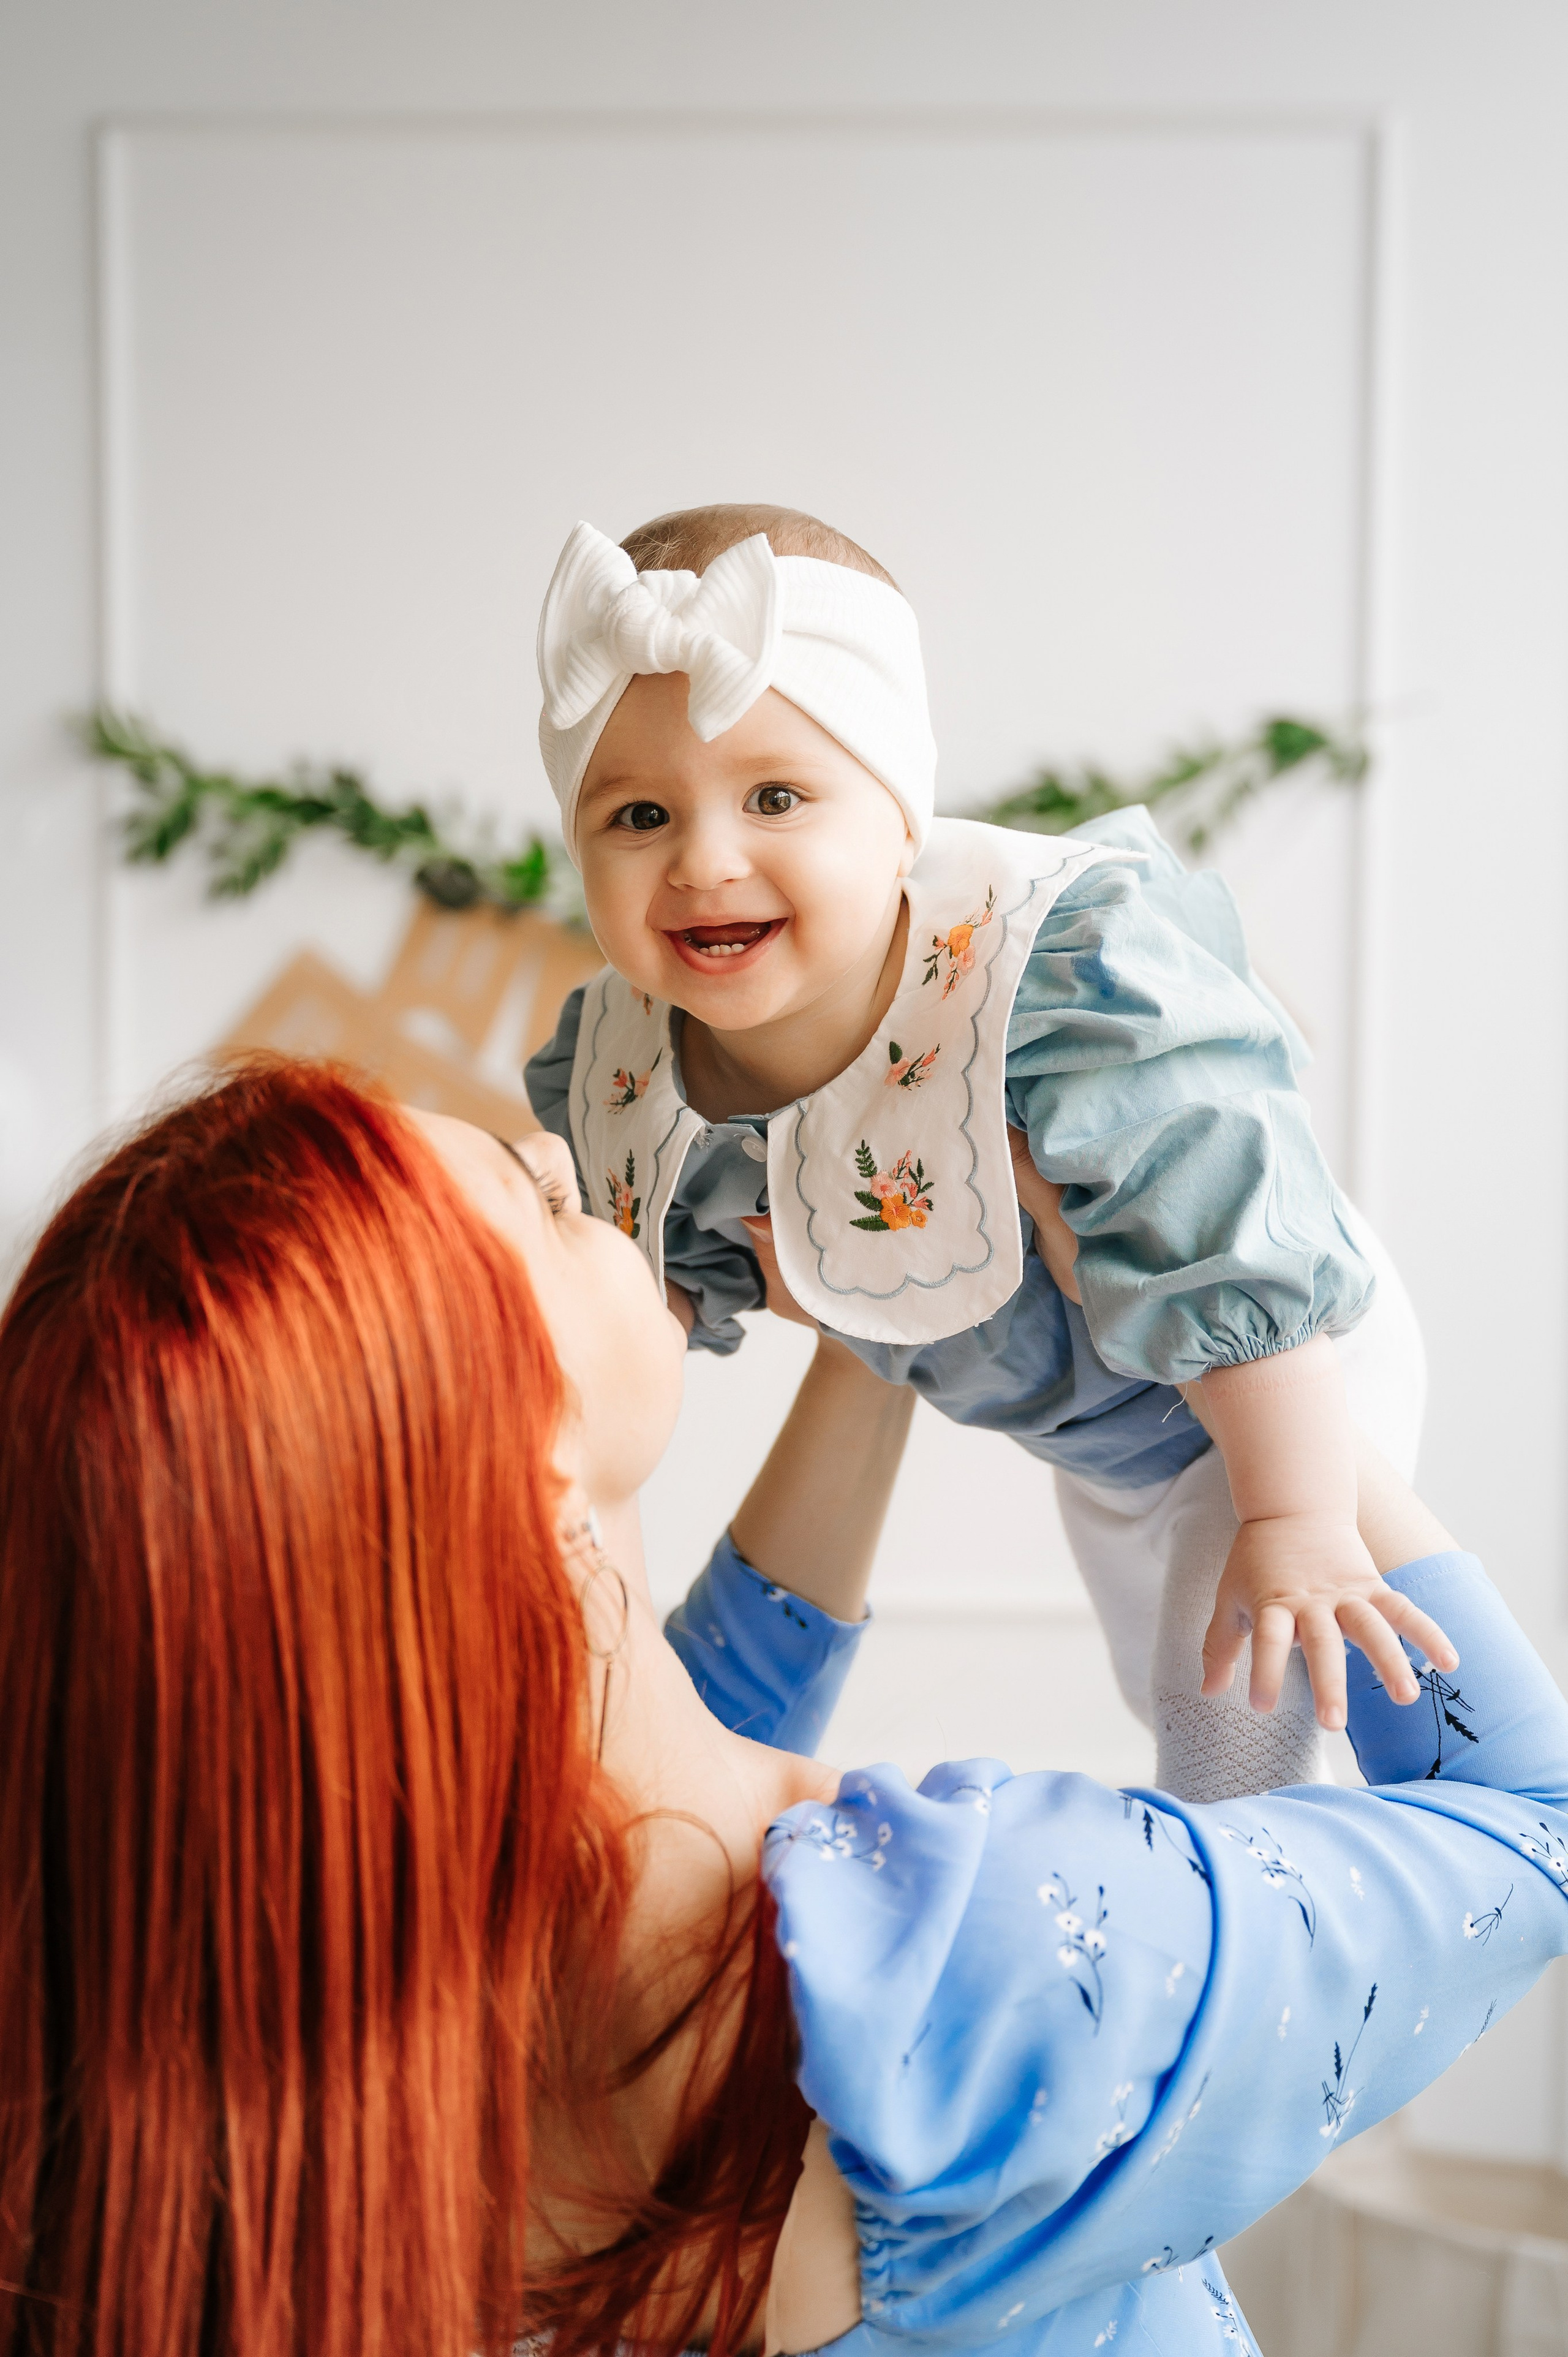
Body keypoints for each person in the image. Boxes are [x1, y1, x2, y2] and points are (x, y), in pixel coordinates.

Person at [2, 1056, 1565, 2357]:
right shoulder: (987, 1962)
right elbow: (1529, 1824)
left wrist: (899, 1310)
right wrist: (1197, 1317)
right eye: (542, 1203)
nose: (566, 1154)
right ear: (508, 1457)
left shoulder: (236, 2105)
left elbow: (677, 1719)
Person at [524, 504, 1436, 1803]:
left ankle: (1254, 1868)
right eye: (636, 816)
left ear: (899, 819)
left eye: (775, 795)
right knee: (1156, 1650)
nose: (704, 860)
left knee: (1230, 1650)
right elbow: (624, 1319)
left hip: (1267, 1353)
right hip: (1093, 1428)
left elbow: (1230, 1210)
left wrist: (1294, 1510)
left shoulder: (1043, 981)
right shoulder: (621, 1069)